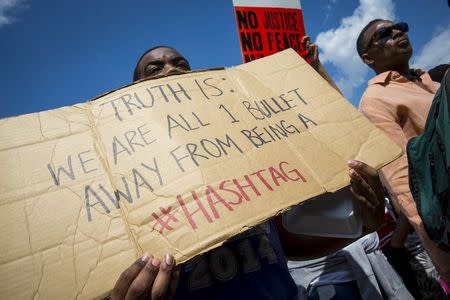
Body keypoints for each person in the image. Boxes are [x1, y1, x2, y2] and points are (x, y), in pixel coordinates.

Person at [110, 45, 388, 300]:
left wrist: (363, 224)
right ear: (133, 92)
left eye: (181, 64)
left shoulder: (242, 148)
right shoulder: (127, 182)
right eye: (155, 69)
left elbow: (284, 245)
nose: (171, 70)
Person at [356, 18, 450, 292]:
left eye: (401, 26)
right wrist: (440, 252)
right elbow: (404, 182)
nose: (397, 32)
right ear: (367, 57)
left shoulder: (432, 82)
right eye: (384, 33)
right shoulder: (375, 100)